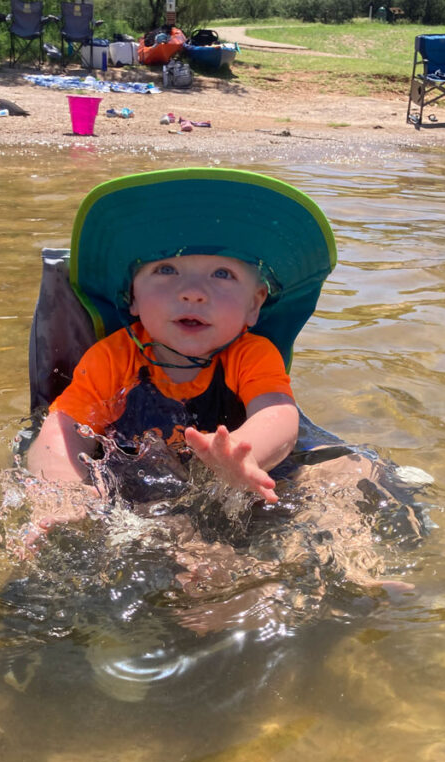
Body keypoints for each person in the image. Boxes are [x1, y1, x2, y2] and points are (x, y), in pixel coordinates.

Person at [22, 168, 400, 551]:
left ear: (254, 305)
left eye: (222, 274)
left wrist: (242, 456)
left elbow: (279, 414)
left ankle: (358, 567)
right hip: (151, 484)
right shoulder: (112, 358)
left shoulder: (250, 354)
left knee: (354, 472)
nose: (192, 292)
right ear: (132, 297)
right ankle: (211, 586)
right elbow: (64, 427)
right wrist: (59, 494)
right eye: (165, 269)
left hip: (245, 472)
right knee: (187, 543)